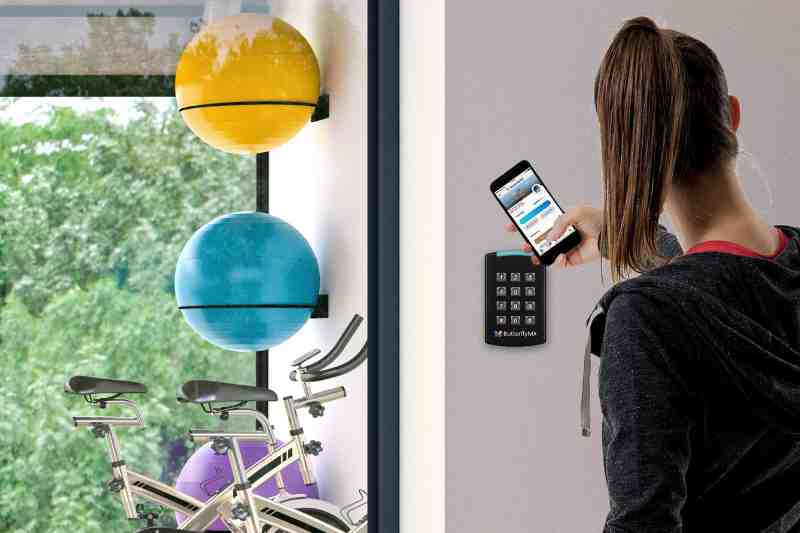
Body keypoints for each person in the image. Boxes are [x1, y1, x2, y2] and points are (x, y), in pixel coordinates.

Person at [506, 17, 800, 533]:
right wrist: (637, 239)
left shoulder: (646, 320)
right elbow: (730, 286)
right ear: (731, 117)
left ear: (627, 152)